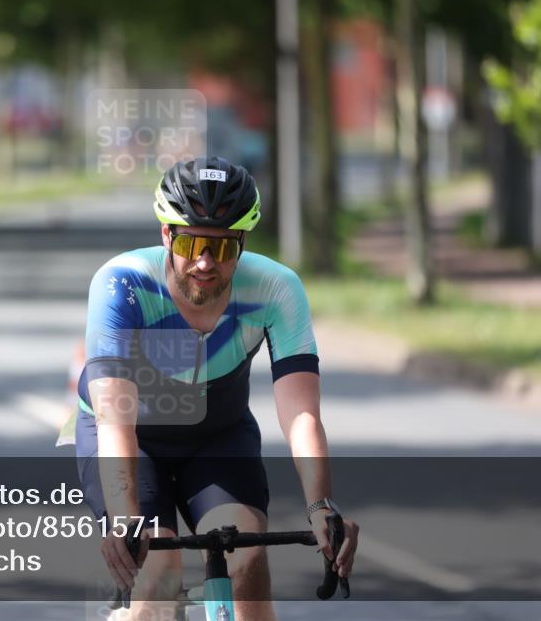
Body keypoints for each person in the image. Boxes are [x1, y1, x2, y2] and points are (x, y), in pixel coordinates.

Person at [76, 157, 359, 621]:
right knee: (160, 570)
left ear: (243, 242)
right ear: (166, 234)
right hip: (132, 437)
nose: (207, 262)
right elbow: (114, 417)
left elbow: (301, 413)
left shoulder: (276, 289)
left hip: (217, 435)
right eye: (192, 243)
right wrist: (128, 519)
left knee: (243, 554)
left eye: (224, 248)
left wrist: (320, 504)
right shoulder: (122, 284)